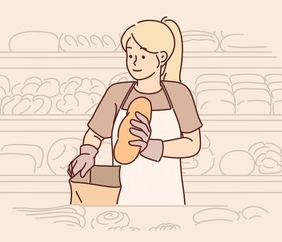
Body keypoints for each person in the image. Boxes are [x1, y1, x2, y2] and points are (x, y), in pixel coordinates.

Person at [68, 17, 202, 205]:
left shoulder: (179, 94)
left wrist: (151, 147)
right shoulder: (117, 93)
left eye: (142, 57)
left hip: (167, 193)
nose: (135, 63)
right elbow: (95, 133)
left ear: (161, 57)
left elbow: (192, 144)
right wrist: (88, 153)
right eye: (131, 56)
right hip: (125, 192)